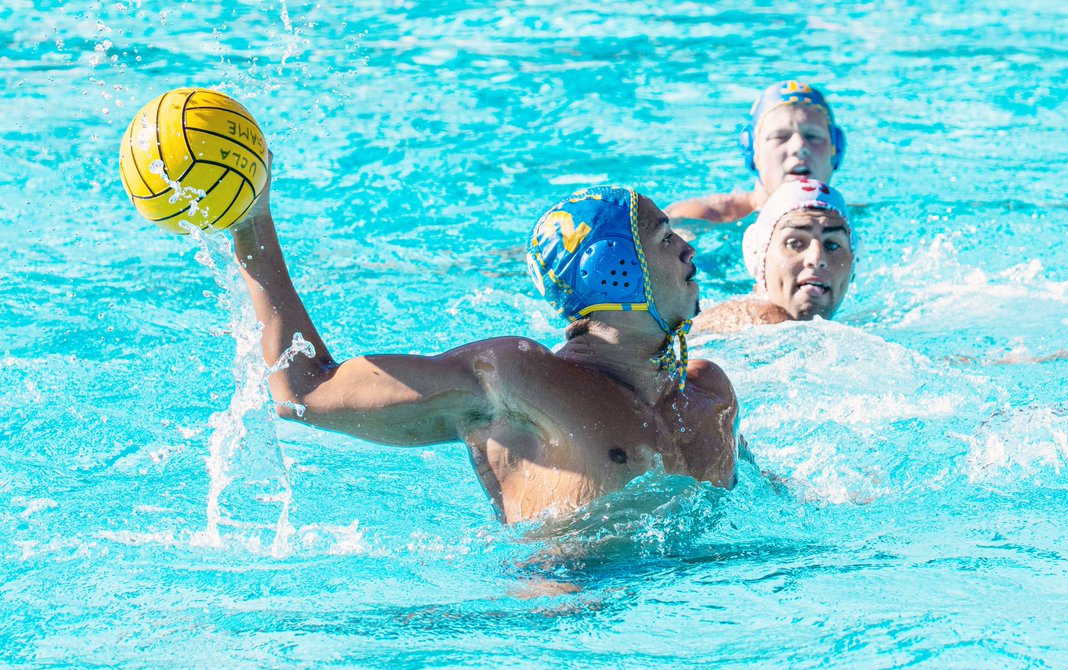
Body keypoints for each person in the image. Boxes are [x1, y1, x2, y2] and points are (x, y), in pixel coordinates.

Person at [230, 163, 738, 525]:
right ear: (614, 272)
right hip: (560, 623)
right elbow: (305, 391)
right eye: (665, 237)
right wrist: (252, 224)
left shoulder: (710, 394)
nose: (690, 247)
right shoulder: (517, 380)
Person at [666, 80, 847, 224]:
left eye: (813, 136)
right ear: (752, 152)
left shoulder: (849, 219)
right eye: (780, 137)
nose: (799, 147)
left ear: (836, 151)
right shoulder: (695, 219)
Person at [693, 179, 854, 332]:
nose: (816, 259)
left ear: (854, 262)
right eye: (794, 243)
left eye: (833, 245)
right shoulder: (745, 325)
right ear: (759, 256)